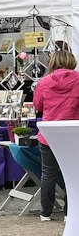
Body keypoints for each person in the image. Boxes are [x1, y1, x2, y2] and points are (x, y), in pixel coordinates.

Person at [34, 41, 79, 220]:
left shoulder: (44, 82)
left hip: (49, 134)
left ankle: (46, 212)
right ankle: (71, 212)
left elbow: (38, 106)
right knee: (73, 172)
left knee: (48, 173)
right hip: (73, 133)